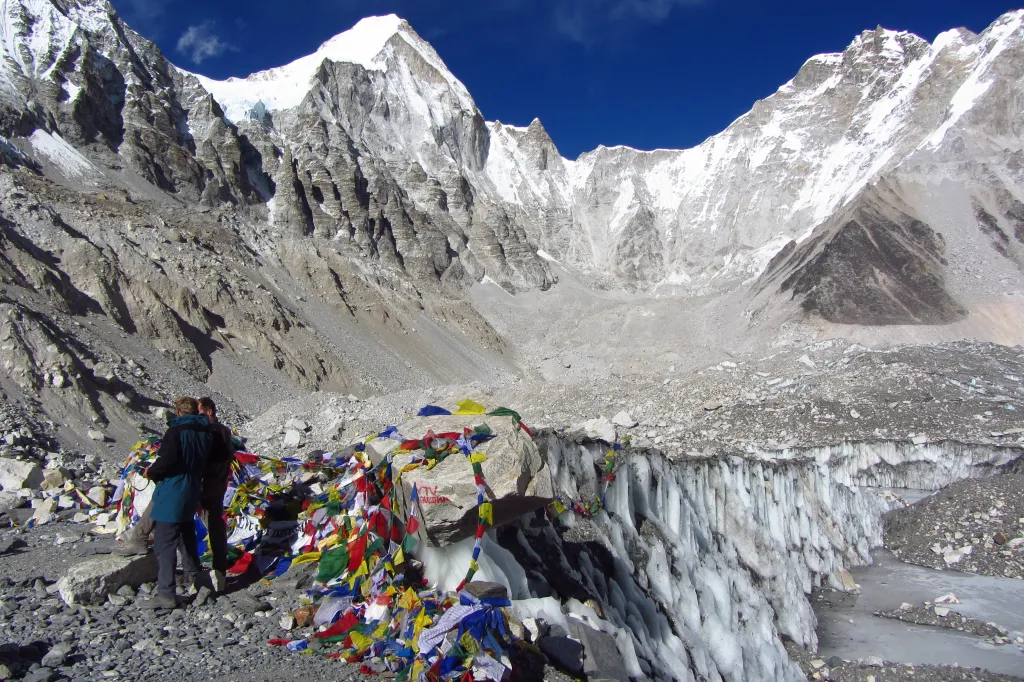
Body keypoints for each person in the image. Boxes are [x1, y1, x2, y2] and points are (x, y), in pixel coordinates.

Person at [140, 396, 226, 609]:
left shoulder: (175, 431)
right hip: (195, 486)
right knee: (186, 532)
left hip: (174, 486)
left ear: (178, 412)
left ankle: (166, 593)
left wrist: (151, 472)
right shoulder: (207, 432)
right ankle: (193, 575)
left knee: (164, 539)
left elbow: (168, 461)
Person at [197, 396, 234, 593]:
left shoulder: (207, 432)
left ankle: (192, 571)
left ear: (209, 411)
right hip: (219, 484)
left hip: (203, 484)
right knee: (216, 525)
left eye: (199, 412)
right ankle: (220, 568)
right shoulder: (226, 431)